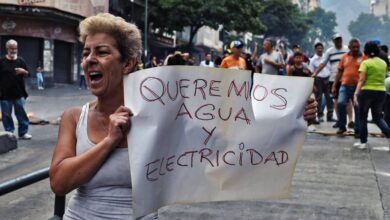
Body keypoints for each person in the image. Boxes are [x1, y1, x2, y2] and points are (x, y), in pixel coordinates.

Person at [49, 13, 148, 219]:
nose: (89, 61)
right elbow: (59, 183)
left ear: (127, 64)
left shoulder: (156, 117)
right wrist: (110, 141)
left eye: (102, 52)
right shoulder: (74, 117)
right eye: (86, 53)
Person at [353, 41, 390, 150]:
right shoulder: (384, 63)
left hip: (367, 92)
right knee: (378, 117)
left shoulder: (366, 63)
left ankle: (363, 142)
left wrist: (356, 93)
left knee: (362, 117)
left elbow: (361, 80)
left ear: (365, 51)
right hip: (381, 92)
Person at [312, 33, 349, 125]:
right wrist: (315, 73)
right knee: (335, 99)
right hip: (333, 79)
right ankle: (340, 120)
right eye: (336, 39)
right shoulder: (329, 51)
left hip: (346, 78)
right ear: (333, 41)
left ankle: (350, 120)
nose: (338, 41)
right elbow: (323, 63)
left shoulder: (347, 50)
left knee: (347, 100)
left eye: (340, 39)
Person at [332, 38, 366, 136]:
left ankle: (357, 130)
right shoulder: (344, 57)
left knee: (358, 107)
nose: (356, 49)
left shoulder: (364, 58)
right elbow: (339, 72)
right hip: (344, 86)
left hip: (358, 87)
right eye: (353, 47)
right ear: (349, 47)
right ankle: (342, 127)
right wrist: (334, 85)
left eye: (357, 47)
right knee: (341, 103)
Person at [0, 39, 32, 140]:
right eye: (11, 48)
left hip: (19, 93)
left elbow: (29, 74)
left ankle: (23, 133)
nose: (13, 50)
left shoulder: (20, 60)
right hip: (4, 94)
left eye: (15, 48)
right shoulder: (1, 61)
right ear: (7, 49)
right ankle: (9, 132)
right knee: (6, 115)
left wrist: (24, 71)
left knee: (21, 114)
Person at [309, 42, 331, 123]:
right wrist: (313, 84)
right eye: (318, 48)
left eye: (321, 48)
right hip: (318, 79)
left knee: (329, 97)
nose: (320, 49)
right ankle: (319, 115)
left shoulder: (327, 57)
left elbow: (330, 67)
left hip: (328, 78)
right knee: (319, 98)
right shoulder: (312, 60)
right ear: (315, 49)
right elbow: (311, 72)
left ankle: (330, 115)